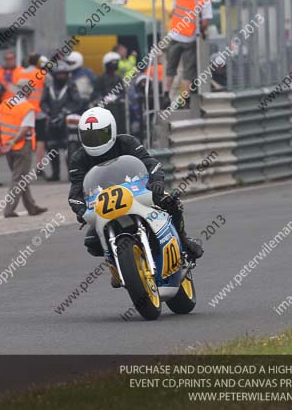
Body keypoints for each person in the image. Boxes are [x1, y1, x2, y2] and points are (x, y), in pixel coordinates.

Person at [67, 107, 203, 286]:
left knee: (171, 202)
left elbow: (150, 163)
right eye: (89, 137)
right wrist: (80, 209)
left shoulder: (127, 142)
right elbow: (75, 191)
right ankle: (119, 264)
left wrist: (156, 182)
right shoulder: (78, 158)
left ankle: (184, 242)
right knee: (92, 242)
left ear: (112, 129)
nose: (95, 141)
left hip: (138, 192)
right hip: (104, 205)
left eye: (100, 135)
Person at [0, 79, 48, 217]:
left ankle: (31, 207)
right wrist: (12, 142)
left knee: (20, 176)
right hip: (22, 147)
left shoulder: (4, 104)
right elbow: (24, 129)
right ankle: (9, 209)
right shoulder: (27, 107)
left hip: (7, 147)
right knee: (18, 178)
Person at [164, 0, 212, 108]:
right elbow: (205, 23)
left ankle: (165, 95)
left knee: (171, 67)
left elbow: (173, 12)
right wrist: (202, 30)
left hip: (174, 34)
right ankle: (186, 99)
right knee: (188, 70)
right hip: (189, 38)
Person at [40, 61, 83, 181]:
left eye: (64, 74)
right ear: (54, 75)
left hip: (66, 122)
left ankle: (71, 174)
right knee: (52, 147)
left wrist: (65, 111)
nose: (61, 76)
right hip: (52, 121)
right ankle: (55, 174)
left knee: (70, 148)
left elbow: (77, 102)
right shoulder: (48, 86)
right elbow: (43, 102)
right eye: (59, 74)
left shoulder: (71, 85)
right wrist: (48, 112)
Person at [15, 53, 48, 172]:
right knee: (40, 140)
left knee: (24, 139)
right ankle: (39, 167)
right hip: (38, 112)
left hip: (23, 111)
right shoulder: (42, 74)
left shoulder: (19, 73)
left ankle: (22, 167)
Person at [93, 52, 126, 130]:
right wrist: (103, 99)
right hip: (104, 107)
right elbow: (96, 92)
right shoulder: (100, 78)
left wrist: (117, 98)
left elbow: (123, 93)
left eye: (116, 62)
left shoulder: (118, 78)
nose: (115, 64)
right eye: (113, 62)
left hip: (117, 107)